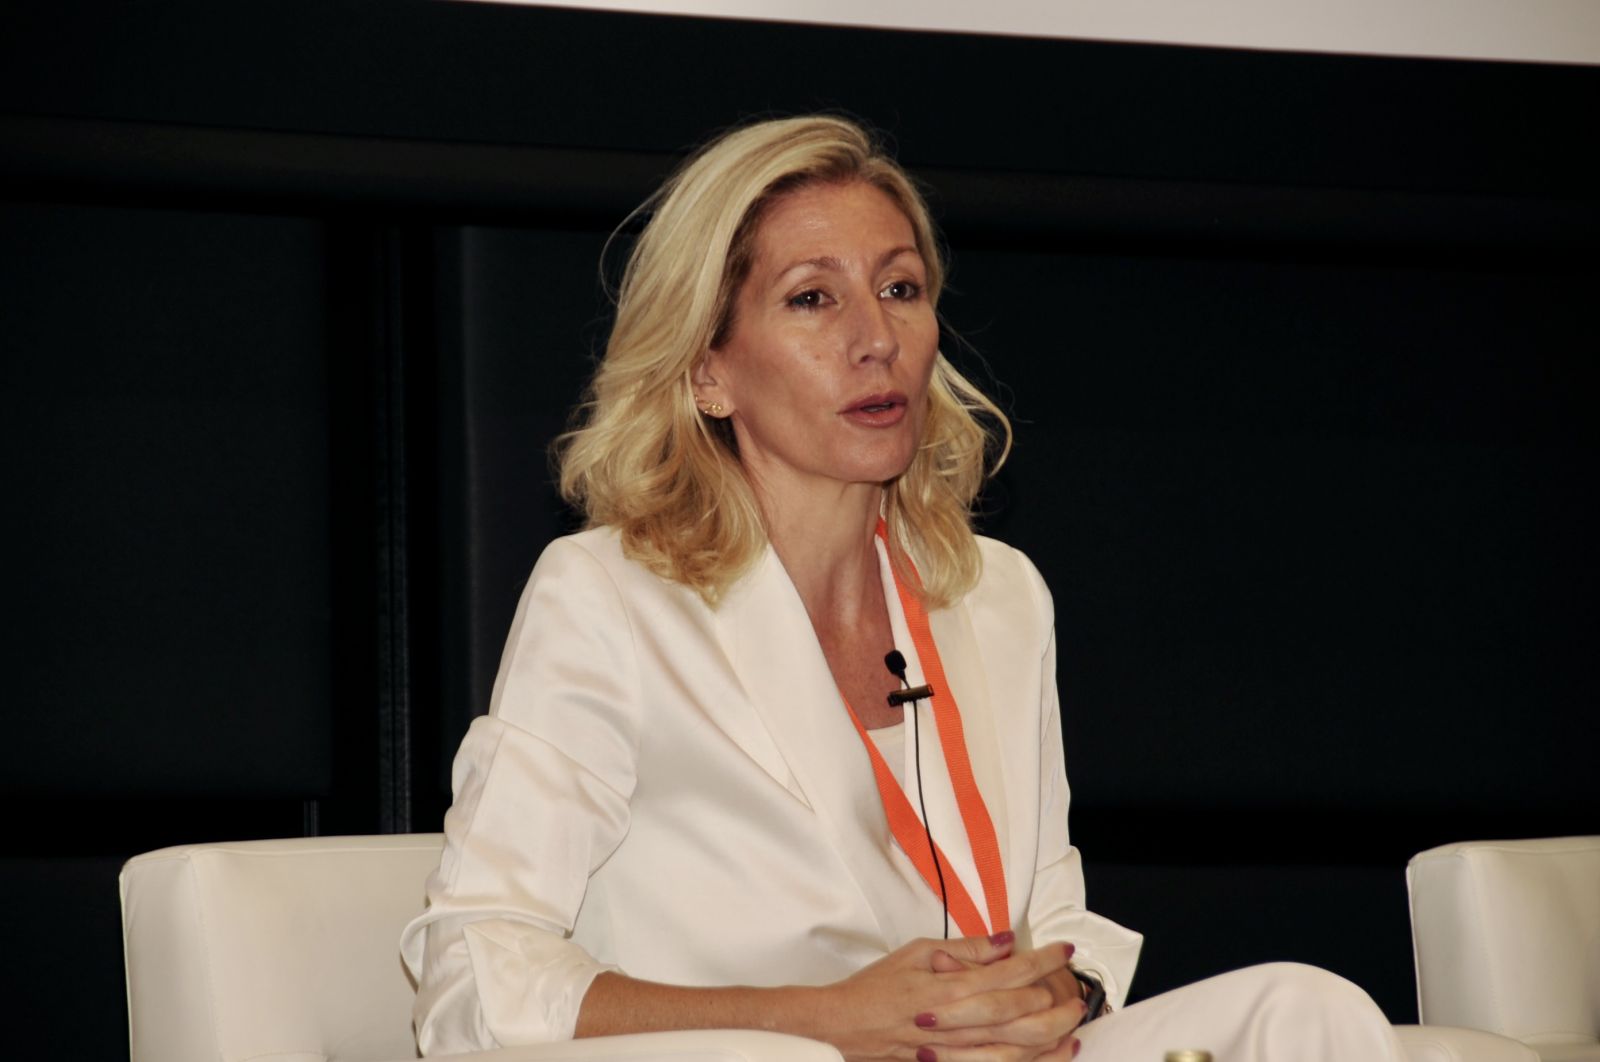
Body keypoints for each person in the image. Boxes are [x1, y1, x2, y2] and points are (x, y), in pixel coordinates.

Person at [400, 115, 1406, 1062]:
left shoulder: (998, 595)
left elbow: (1050, 914)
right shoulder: (610, 597)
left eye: (899, 287)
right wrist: (828, 1024)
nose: (875, 337)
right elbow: (474, 978)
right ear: (709, 372)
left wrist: (1062, 994)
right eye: (812, 298)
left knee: (1304, 1009)